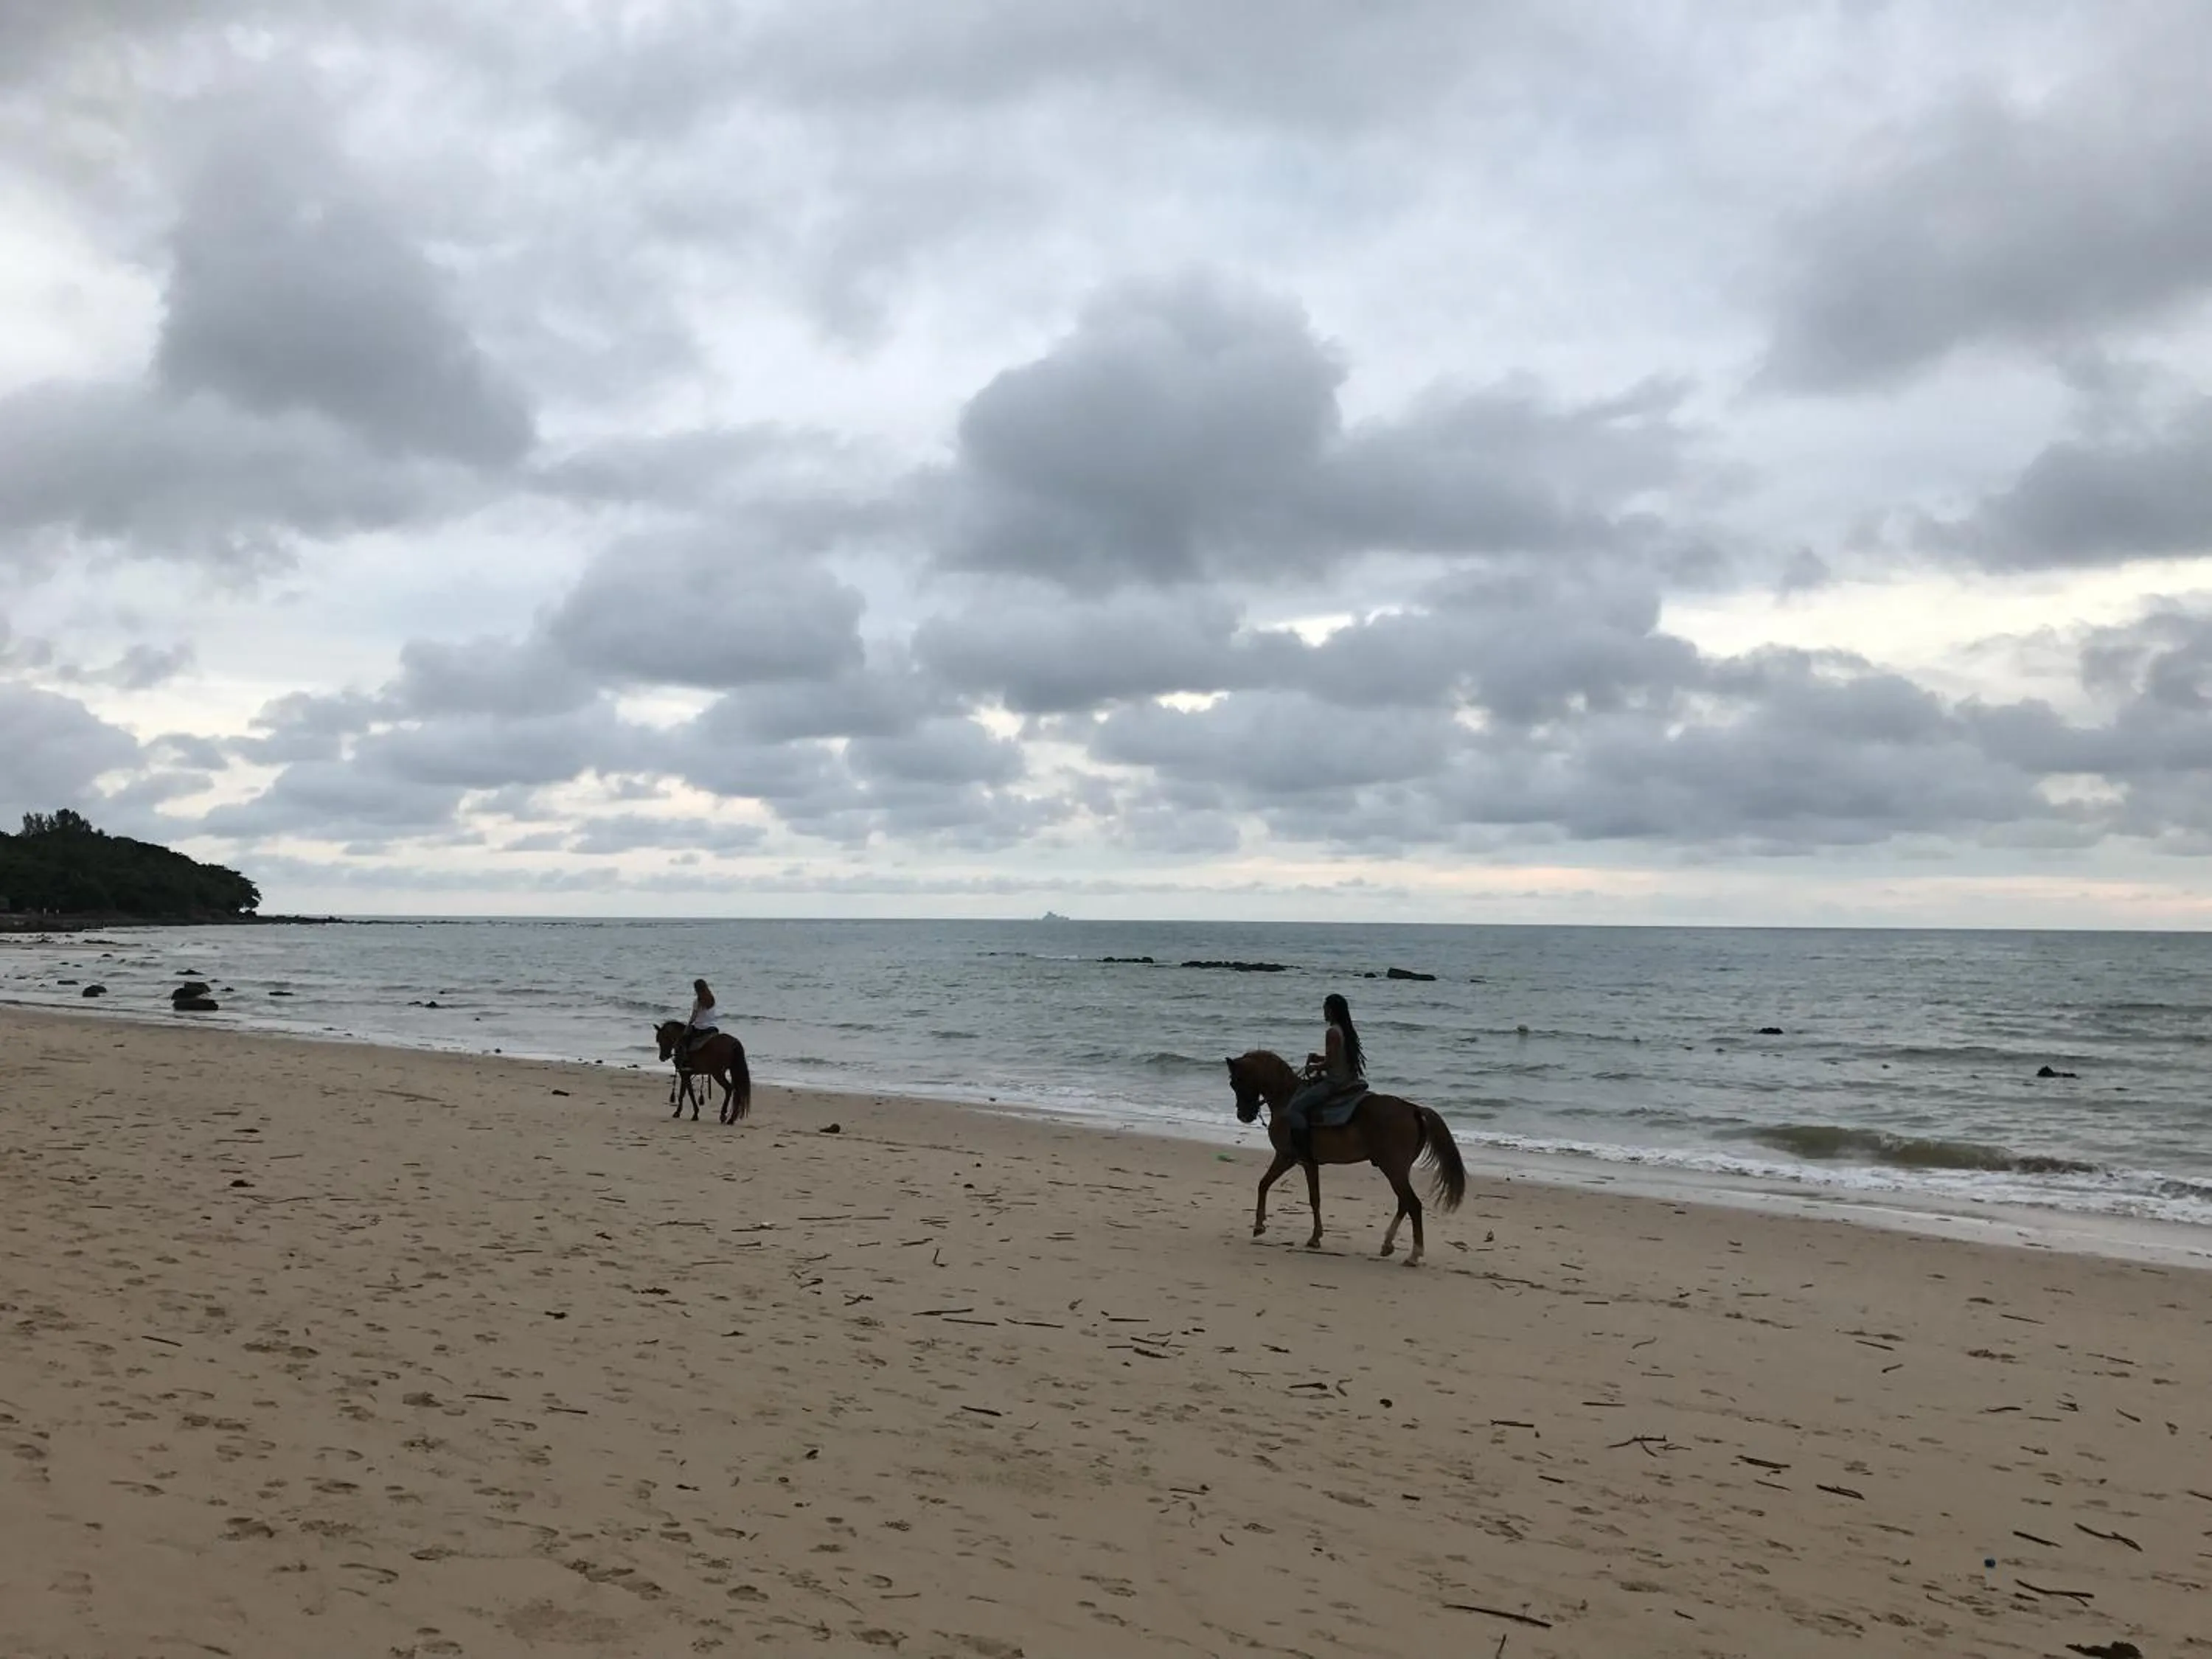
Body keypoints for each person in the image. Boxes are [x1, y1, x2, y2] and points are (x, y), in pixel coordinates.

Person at [1281, 992, 1366, 1161]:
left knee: (1295, 1109)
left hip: (1335, 1082)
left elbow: (1331, 1063)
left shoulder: (1332, 1032)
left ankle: (1303, 1150)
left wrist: (1314, 1066)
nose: (1324, 1013)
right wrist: (1319, 1058)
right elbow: (1338, 1057)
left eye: (1326, 1009)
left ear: (1332, 1011)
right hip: (1347, 1078)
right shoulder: (1345, 1030)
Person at [683, 978, 720, 1058]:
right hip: (712, 1028)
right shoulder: (712, 999)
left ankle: (687, 1061)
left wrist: (688, 1026)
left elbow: (693, 1017)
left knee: (684, 1042)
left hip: (701, 1028)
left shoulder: (697, 1001)